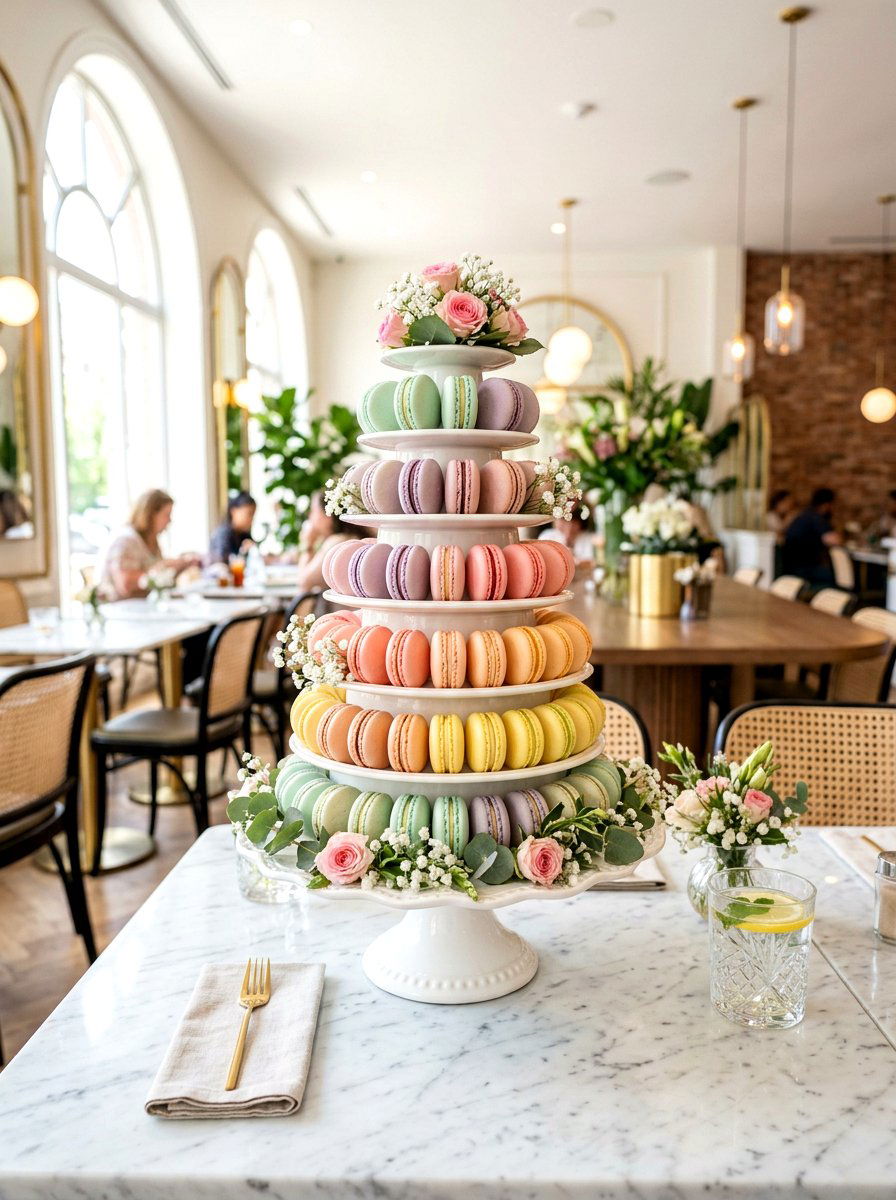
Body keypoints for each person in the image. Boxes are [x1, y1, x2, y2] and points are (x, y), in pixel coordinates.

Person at [100, 488, 199, 599]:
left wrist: (179, 566)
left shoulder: (151, 540)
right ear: (150, 515)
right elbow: (125, 585)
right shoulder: (125, 541)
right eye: (167, 515)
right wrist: (164, 567)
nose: (169, 521)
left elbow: (157, 582)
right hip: (118, 609)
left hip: (140, 607)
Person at [295, 492, 357, 590]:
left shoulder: (335, 542)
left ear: (327, 515)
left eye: (313, 511)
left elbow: (303, 581)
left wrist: (308, 544)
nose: (310, 516)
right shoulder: (348, 537)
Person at [781, 487, 843, 585]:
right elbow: (834, 540)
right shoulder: (816, 518)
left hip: (790, 567)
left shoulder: (803, 515)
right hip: (804, 569)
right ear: (827, 505)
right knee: (838, 577)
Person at [208, 491, 257, 564]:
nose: (252, 519)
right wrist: (243, 553)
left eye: (253, 515)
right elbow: (222, 563)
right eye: (249, 514)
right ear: (234, 511)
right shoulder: (223, 534)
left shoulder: (244, 534)